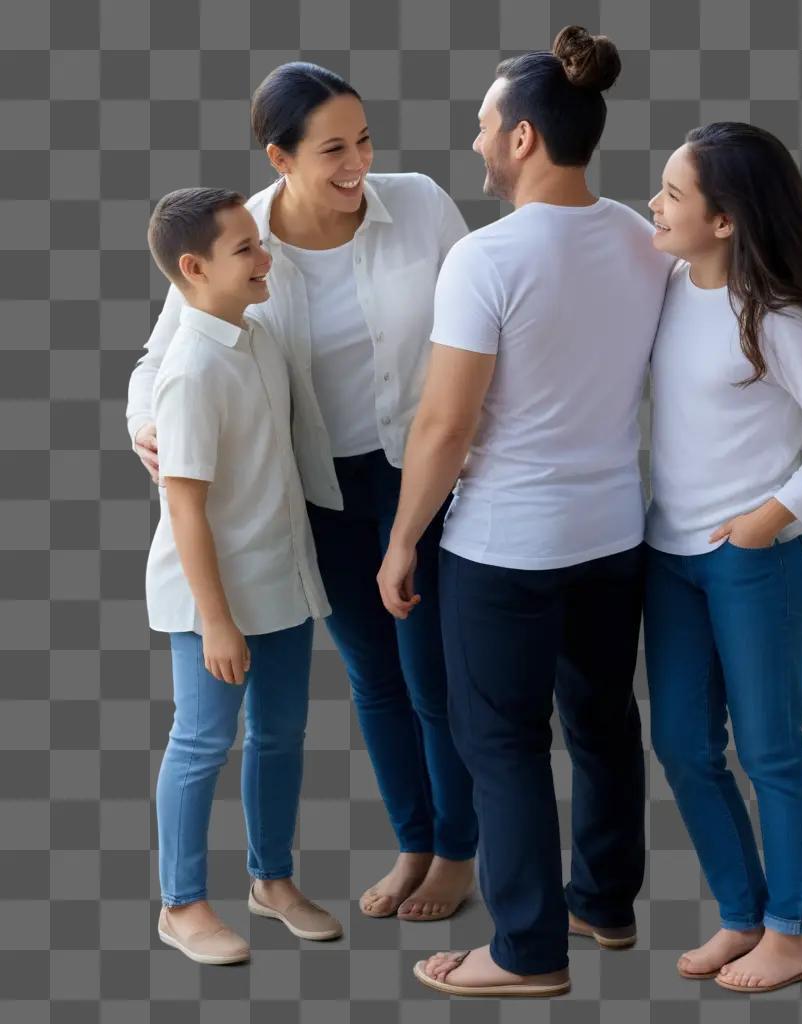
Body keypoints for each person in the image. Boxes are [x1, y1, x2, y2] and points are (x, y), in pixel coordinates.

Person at [126, 62, 478, 922]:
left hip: (429, 477)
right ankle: (414, 842)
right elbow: (158, 357)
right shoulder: (238, 237)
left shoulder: (422, 204)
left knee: (434, 675)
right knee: (374, 682)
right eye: (333, 149)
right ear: (280, 158)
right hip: (318, 491)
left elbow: (485, 315)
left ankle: (458, 856)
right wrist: (150, 425)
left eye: (363, 139)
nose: (358, 161)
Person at [377, 26, 675, 998]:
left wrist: (403, 537)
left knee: (499, 742)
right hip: (613, 533)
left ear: (521, 140)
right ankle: (603, 904)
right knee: (601, 724)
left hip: (506, 545)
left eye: (481, 127)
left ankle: (525, 950)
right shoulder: (642, 234)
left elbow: (443, 425)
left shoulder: (487, 258)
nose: (472, 145)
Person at [643, 122, 802, 992]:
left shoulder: (771, 317)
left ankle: (794, 932)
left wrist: (766, 519)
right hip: (667, 558)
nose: (655, 204)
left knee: (771, 751)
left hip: (753, 563)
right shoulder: (667, 283)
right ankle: (742, 916)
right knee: (680, 743)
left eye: (672, 193)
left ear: (726, 220)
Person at [144, 187, 343, 964]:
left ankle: (272, 881)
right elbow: (185, 511)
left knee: (281, 735)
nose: (267, 259)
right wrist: (215, 621)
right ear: (193, 269)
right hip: (212, 601)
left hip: (280, 584)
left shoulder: (255, 336)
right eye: (246, 251)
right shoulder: (191, 371)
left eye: (261, 244)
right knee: (200, 743)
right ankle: (182, 903)